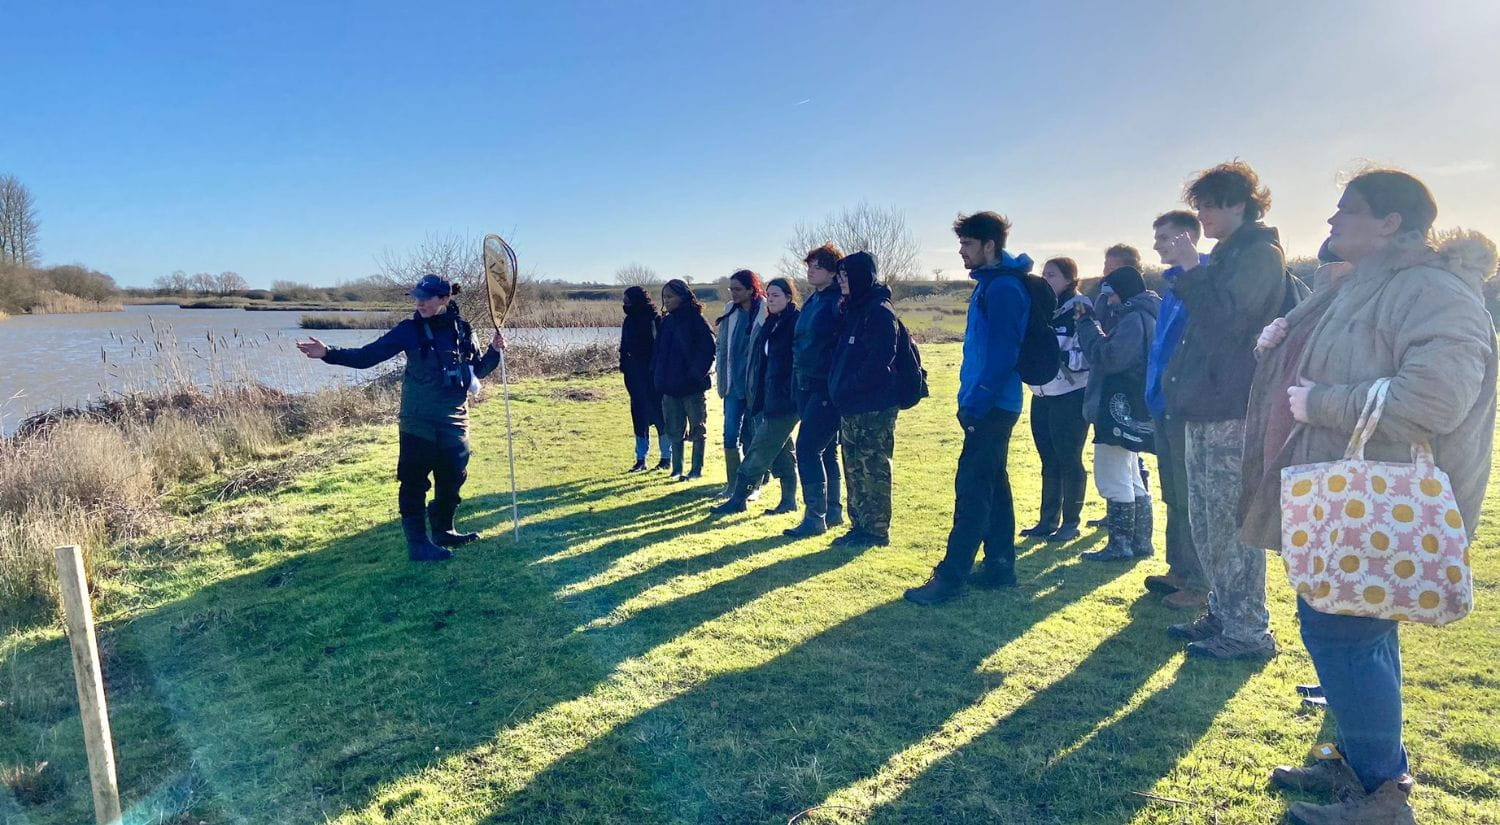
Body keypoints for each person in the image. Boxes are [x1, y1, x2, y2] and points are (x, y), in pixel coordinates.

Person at [1241, 170, 1496, 825]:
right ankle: (1353, 761)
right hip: (1346, 496)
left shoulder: (1435, 292)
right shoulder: (1366, 284)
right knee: (1354, 631)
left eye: (1345, 211)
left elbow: (1435, 400)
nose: (1329, 222)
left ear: (1391, 222)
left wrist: (1322, 403)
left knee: (1344, 634)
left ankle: (1385, 796)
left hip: (1380, 499)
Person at [1157, 160, 1288, 660]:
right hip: (1205, 406)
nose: (1203, 216)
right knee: (1206, 521)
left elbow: (1229, 326)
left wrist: (1192, 274)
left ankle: (1249, 631)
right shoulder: (1231, 254)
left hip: (1232, 409)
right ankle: (1223, 612)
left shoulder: (1258, 254)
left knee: (1230, 523)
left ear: (1239, 203)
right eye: (1200, 206)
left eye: (1211, 205)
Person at [296, 274, 503, 562]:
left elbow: (478, 371)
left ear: (445, 299)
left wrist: (494, 352)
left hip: (455, 417)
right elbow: (368, 356)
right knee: (414, 480)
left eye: (426, 297)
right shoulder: (409, 330)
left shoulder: (464, 329)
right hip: (418, 418)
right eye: (416, 297)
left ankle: (444, 530)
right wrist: (328, 353)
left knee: (453, 476)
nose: (419, 302)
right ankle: (418, 544)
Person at [905, 212, 1031, 605]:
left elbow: (1004, 352)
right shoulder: (990, 284)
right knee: (994, 481)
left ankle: (950, 578)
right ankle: (999, 566)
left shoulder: (1004, 288)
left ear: (989, 246)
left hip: (992, 404)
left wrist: (977, 401)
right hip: (988, 402)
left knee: (972, 487)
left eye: (967, 244)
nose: (961, 251)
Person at [1142, 211, 1212, 608]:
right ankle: (1179, 569)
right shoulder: (1171, 288)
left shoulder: (1199, 281)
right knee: (1173, 492)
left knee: (1191, 495)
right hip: (1163, 406)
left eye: (1165, 237)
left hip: (1186, 407)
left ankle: (1201, 584)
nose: (1157, 245)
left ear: (1187, 238)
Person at [1075, 248, 1159, 562]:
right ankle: (1141, 542)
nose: (1108, 301)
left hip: (1117, 408)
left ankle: (1120, 544)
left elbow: (1110, 358)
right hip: (1135, 408)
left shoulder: (1133, 320)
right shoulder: (1147, 315)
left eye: (1110, 294)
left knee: (1112, 475)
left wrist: (1087, 327)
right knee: (1131, 475)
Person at [828, 251, 901, 548]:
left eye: (846, 275)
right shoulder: (853, 308)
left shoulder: (879, 310)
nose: (841, 281)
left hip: (873, 404)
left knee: (873, 467)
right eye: (840, 275)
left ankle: (876, 530)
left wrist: (850, 386)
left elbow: (880, 358)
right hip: (851, 403)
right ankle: (858, 525)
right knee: (854, 466)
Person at [710, 278, 801, 515]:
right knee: (780, 449)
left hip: (785, 400)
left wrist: (786, 395)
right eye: (769, 295)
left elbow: (795, 365)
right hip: (764, 397)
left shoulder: (795, 323)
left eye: (777, 295)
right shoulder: (771, 323)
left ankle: (739, 497)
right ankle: (789, 500)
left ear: (789, 298)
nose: (771, 299)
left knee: (760, 448)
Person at [1021, 256, 1092, 543]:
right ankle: (1047, 519)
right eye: (1044, 273)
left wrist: (1056, 357)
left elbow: (1087, 352)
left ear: (1069, 278)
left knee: (1068, 457)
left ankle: (1071, 522)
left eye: (1051, 274)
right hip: (1041, 392)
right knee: (1047, 457)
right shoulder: (1041, 306)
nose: (1045, 278)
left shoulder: (1080, 307)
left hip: (1070, 394)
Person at [785, 243, 846, 537]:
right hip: (806, 383)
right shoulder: (814, 300)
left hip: (824, 386)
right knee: (826, 450)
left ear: (834, 272)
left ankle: (815, 517)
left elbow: (831, 346)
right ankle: (832, 512)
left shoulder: (837, 302)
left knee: (808, 448)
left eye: (817, 266)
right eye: (809, 266)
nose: (810, 271)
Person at [652, 279, 715, 481]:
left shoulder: (697, 320)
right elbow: (659, 352)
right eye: (664, 297)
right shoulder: (667, 322)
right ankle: (677, 469)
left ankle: (696, 469)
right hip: (669, 387)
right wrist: (657, 376)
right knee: (673, 429)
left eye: (670, 296)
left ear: (683, 296)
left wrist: (694, 375)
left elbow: (708, 350)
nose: (666, 301)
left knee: (697, 428)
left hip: (692, 387)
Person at [714, 270, 769, 497]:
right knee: (729, 435)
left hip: (755, 387)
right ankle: (733, 485)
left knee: (755, 435)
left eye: (738, 289)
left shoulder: (764, 311)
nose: (733, 293)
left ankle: (752, 485)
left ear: (750, 289)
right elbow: (722, 345)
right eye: (731, 289)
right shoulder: (730, 311)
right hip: (732, 385)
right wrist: (720, 373)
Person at [619, 285, 671, 472]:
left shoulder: (654, 320)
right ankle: (641, 459)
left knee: (660, 417)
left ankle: (666, 457)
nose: (625, 305)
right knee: (639, 418)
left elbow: (660, 348)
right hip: (634, 378)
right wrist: (625, 367)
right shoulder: (628, 321)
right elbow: (624, 348)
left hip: (652, 377)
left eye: (628, 302)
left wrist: (657, 373)